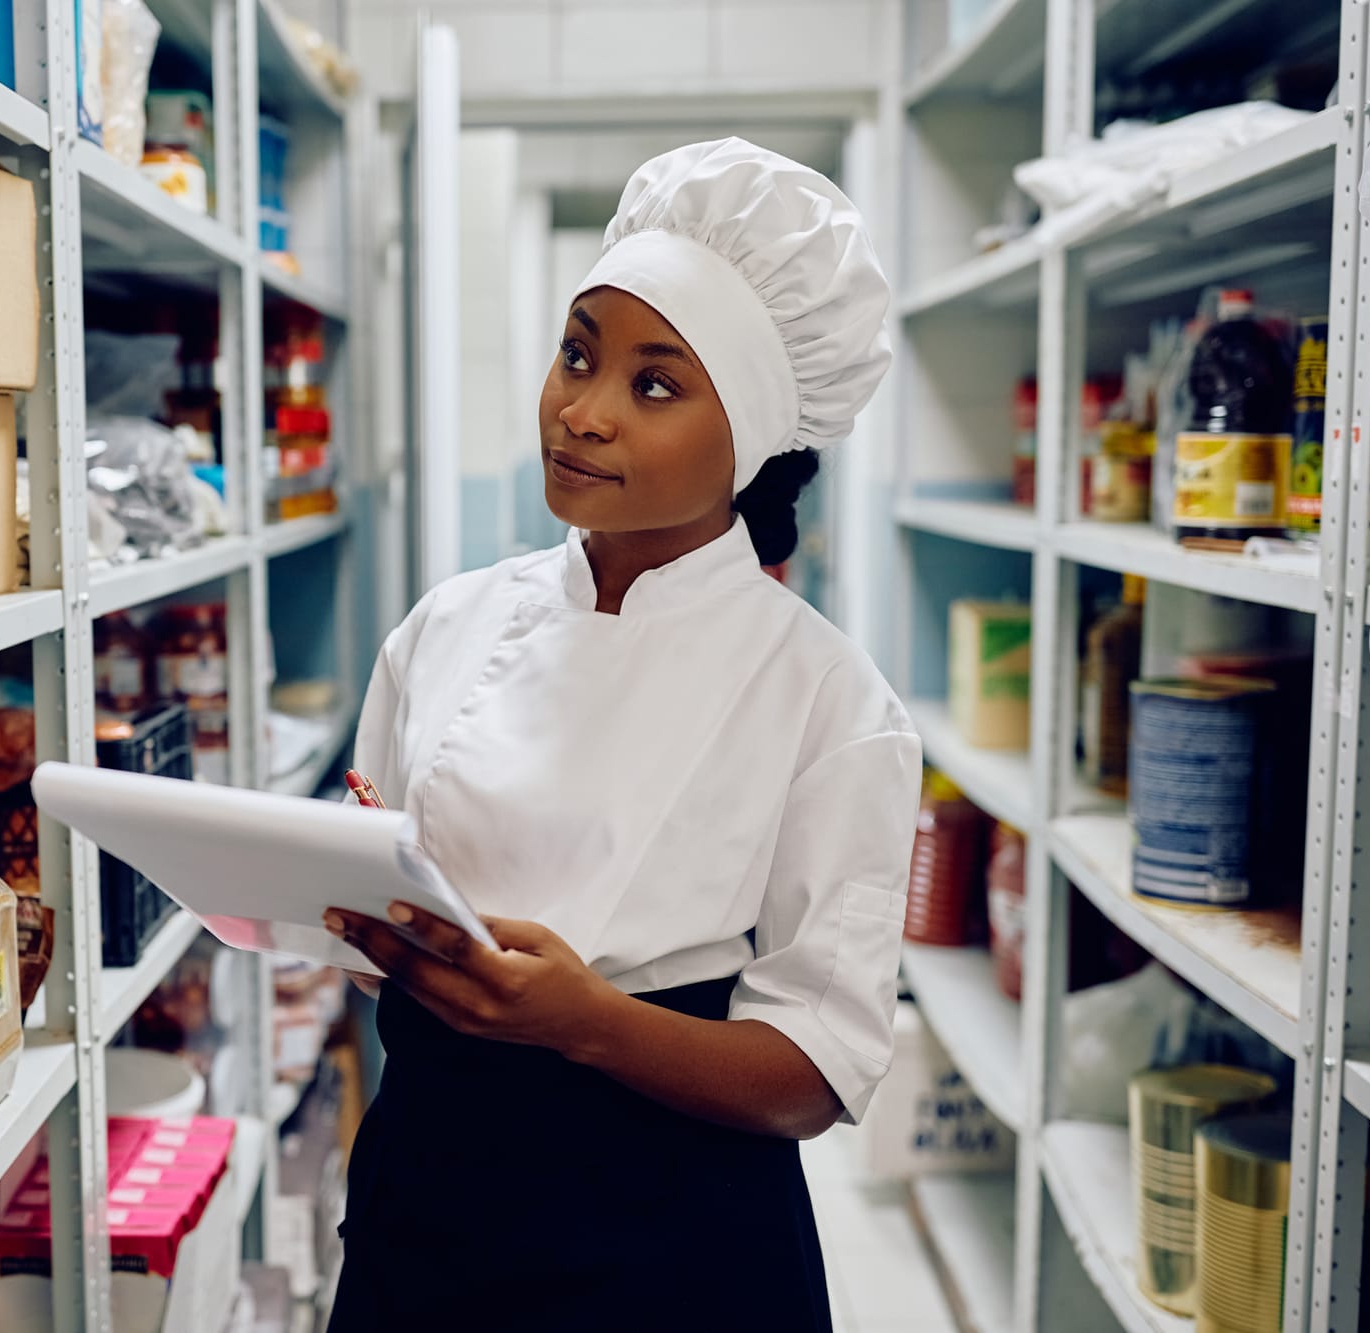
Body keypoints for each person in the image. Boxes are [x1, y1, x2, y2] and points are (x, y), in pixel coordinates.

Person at [322, 138, 921, 1331]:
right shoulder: (446, 625)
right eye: (576, 353)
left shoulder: (828, 700)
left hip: (671, 1236)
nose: (581, 413)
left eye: (653, 385)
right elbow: (360, 890)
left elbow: (811, 1072)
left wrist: (583, 1023)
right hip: (427, 1200)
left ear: (747, 439)